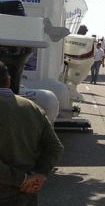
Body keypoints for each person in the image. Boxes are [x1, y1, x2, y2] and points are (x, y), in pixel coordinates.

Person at [0, 61, 64, 205]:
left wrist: (21, 179)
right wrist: (39, 174)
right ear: (8, 80)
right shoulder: (31, 107)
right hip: (26, 193)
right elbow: (55, 147)